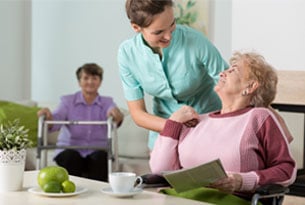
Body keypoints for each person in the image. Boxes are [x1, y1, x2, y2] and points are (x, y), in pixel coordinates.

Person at [150, 51, 296, 202]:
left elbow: (286, 170)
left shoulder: (259, 117)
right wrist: (173, 123)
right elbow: (159, 171)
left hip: (231, 200)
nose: (222, 73)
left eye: (233, 70)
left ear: (250, 86)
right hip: (181, 198)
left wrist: (240, 181)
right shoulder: (196, 121)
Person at [118, 0, 229, 150]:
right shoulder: (127, 54)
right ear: (136, 27)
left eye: (172, 24)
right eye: (158, 32)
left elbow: (229, 83)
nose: (169, 36)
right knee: (161, 173)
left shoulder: (195, 41)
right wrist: (175, 125)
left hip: (207, 124)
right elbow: (138, 114)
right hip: (164, 131)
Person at [37, 63, 123, 182]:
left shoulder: (107, 102)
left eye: (94, 78)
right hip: (70, 150)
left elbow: (115, 115)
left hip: (97, 151)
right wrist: (48, 116)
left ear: (100, 82)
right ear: (79, 81)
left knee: (100, 158)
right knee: (71, 157)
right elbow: (56, 120)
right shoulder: (67, 101)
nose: (90, 82)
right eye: (86, 78)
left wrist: (116, 114)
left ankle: (96, 197)